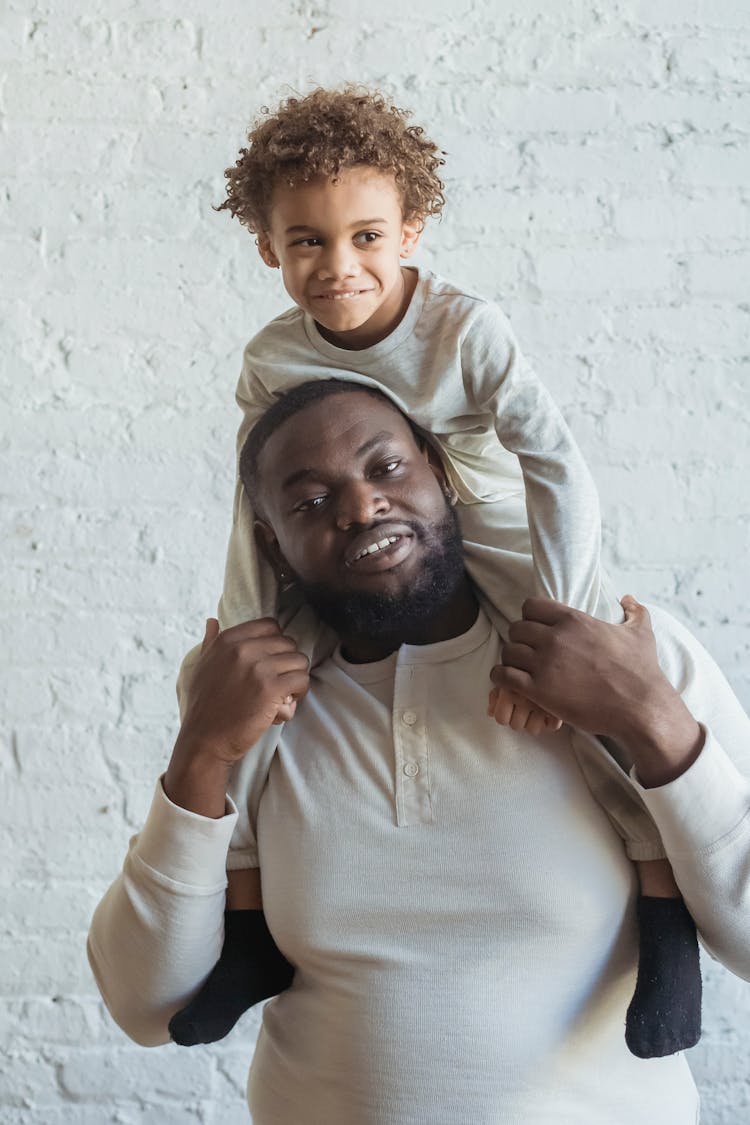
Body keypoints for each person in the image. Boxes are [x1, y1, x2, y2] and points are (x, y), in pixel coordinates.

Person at [169, 85, 700, 1056]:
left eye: (367, 237)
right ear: (267, 249)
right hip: (347, 541)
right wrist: (247, 628)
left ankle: (664, 915)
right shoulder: (272, 358)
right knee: (227, 700)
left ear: (412, 230)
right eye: (307, 244)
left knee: (585, 695)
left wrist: (562, 611)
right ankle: (249, 928)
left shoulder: (464, 330)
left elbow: (556, 466)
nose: (339, 268)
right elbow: (258, 501)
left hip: (483, 524)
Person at [88, 382, 750, 1124]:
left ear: (440, 470)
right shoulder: (254, 711)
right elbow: (144, 1005)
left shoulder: (620, 651)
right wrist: (200, 753)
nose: (361, 507)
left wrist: (650, 714)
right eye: (310, 501)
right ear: (271, 542)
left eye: (387, 468)